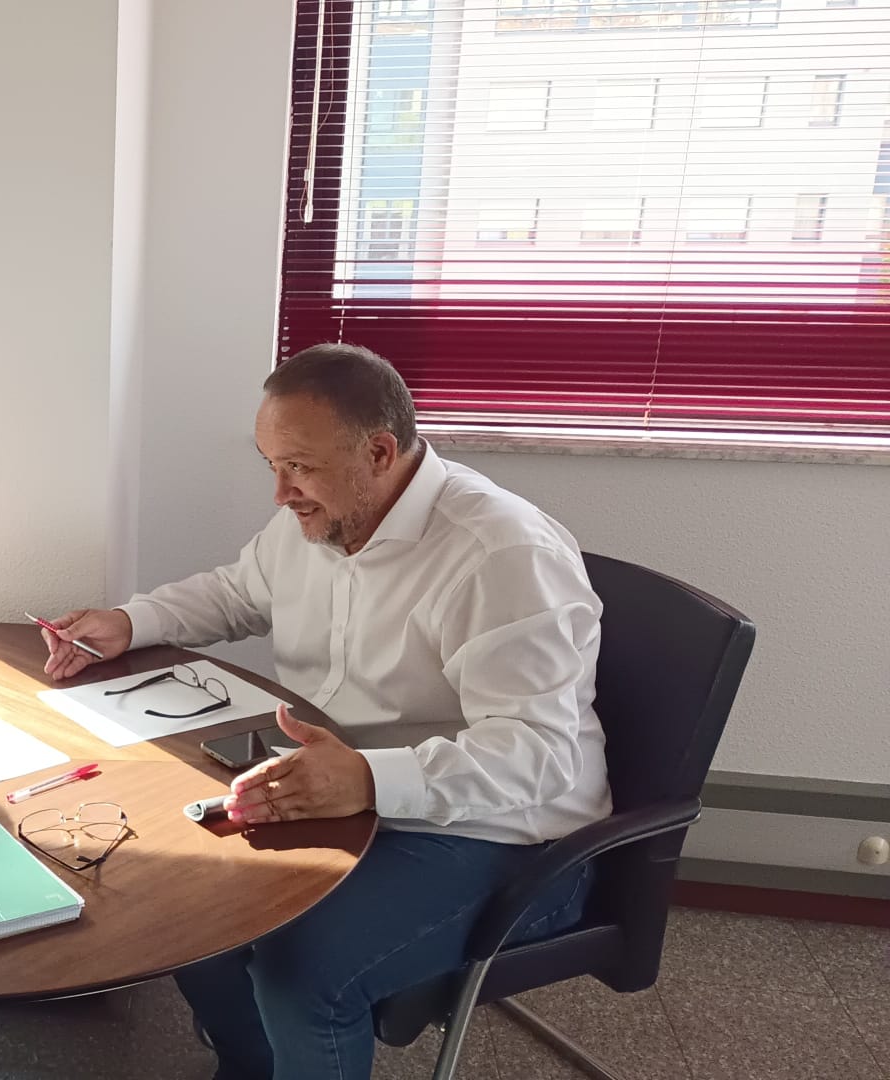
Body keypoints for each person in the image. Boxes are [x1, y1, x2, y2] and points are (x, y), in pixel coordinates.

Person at [37, 344, 610, 1080]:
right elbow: (240, 593)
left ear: (378, 452)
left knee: (300, 970)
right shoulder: (324, 513)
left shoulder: (500, 554)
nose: (280, 493)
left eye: (298, 467)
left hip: (504, 835)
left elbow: (539, 755)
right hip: (348, 796)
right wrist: (132, 620)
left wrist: (368, 780)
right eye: (269, 464)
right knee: (187, 910)